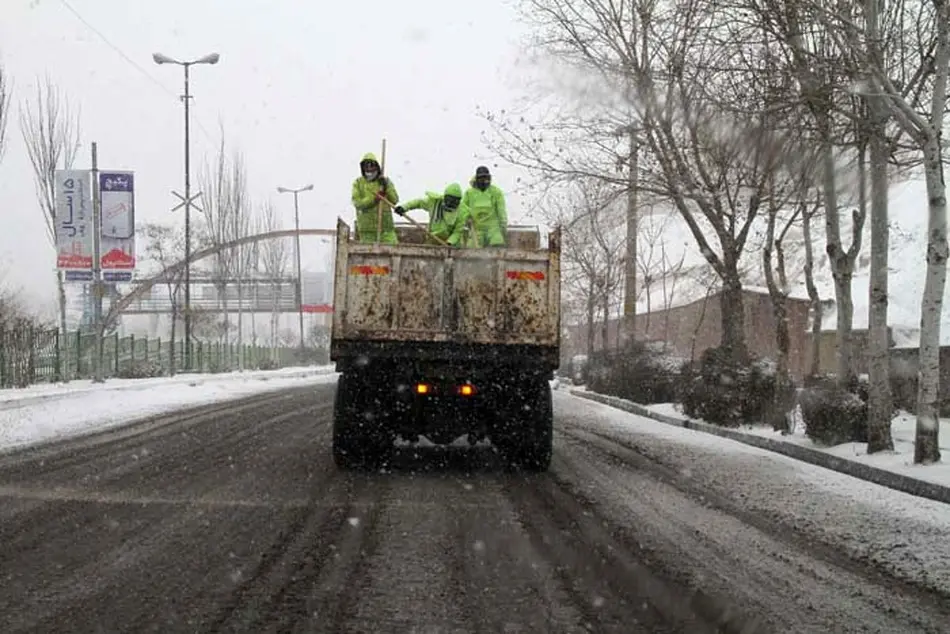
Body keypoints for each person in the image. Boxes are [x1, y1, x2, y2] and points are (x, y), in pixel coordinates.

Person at [393, 183, 468, 246]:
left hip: (451, 246)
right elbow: (418, 202)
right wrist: (404, 207)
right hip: (432, 241)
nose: (451, 204)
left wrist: (449, 243)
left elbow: (457, 232)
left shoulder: (462, 212)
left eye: (455, 201)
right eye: (450, 200)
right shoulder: (434, 202)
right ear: (445, 197)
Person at [351, 152, 399, 244]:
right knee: (369, 256)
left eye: (372, 165)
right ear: (362, 168)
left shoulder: (385, 181)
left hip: (386, 228)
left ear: (377, 167)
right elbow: (357, 203)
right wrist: (374, 200)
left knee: (393, 249)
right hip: (367, 229)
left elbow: (395, 200)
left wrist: (386, 188)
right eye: (366, 166)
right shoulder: (358, 183)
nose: (369, 169)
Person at [460, 165, 507, 247]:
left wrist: (503, 224)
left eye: (486, 178)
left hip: (493, 228)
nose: (484, 181)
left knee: (498, 244)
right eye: (482, 178)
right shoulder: (469, 193)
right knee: (471, 249)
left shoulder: (496, 192)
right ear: (476, 179)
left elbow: (501, 209)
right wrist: (466, 219)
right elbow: (463, 209)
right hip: (476, 228)